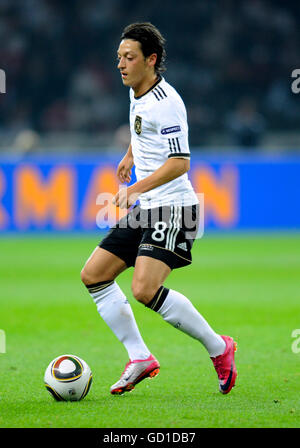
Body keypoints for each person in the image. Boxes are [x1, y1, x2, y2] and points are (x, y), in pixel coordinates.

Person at [81, 22, 237, 395]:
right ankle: (139, 357)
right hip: (149, 206)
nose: (121, 64)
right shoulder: (137, 91)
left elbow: (180, 161)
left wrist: (134, 187)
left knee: (144, 289)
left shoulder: (168, 104)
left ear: (151, 60)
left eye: (129, 57)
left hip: (174, 209)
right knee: (94, 275)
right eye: (119, 57)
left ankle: (220, 348)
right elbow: (142, 130)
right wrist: (130, 154)